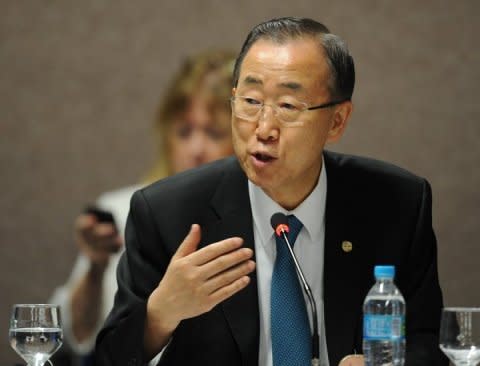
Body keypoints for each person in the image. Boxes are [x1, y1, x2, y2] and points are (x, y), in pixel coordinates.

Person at [95, 17, 448, 366]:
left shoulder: (395, 205)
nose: (264, 128)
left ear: (337, 120)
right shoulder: (167, 212)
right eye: (250, 101)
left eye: (288, 107)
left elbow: (428, 346)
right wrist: (160, 314)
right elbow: (109, 357)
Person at [49, 49, 236, 364]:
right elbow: (75, 336)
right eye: (184, 131)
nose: (195, 149)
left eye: (213, 133)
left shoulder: (257, 215)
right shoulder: (124, 210)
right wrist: (96, 267)